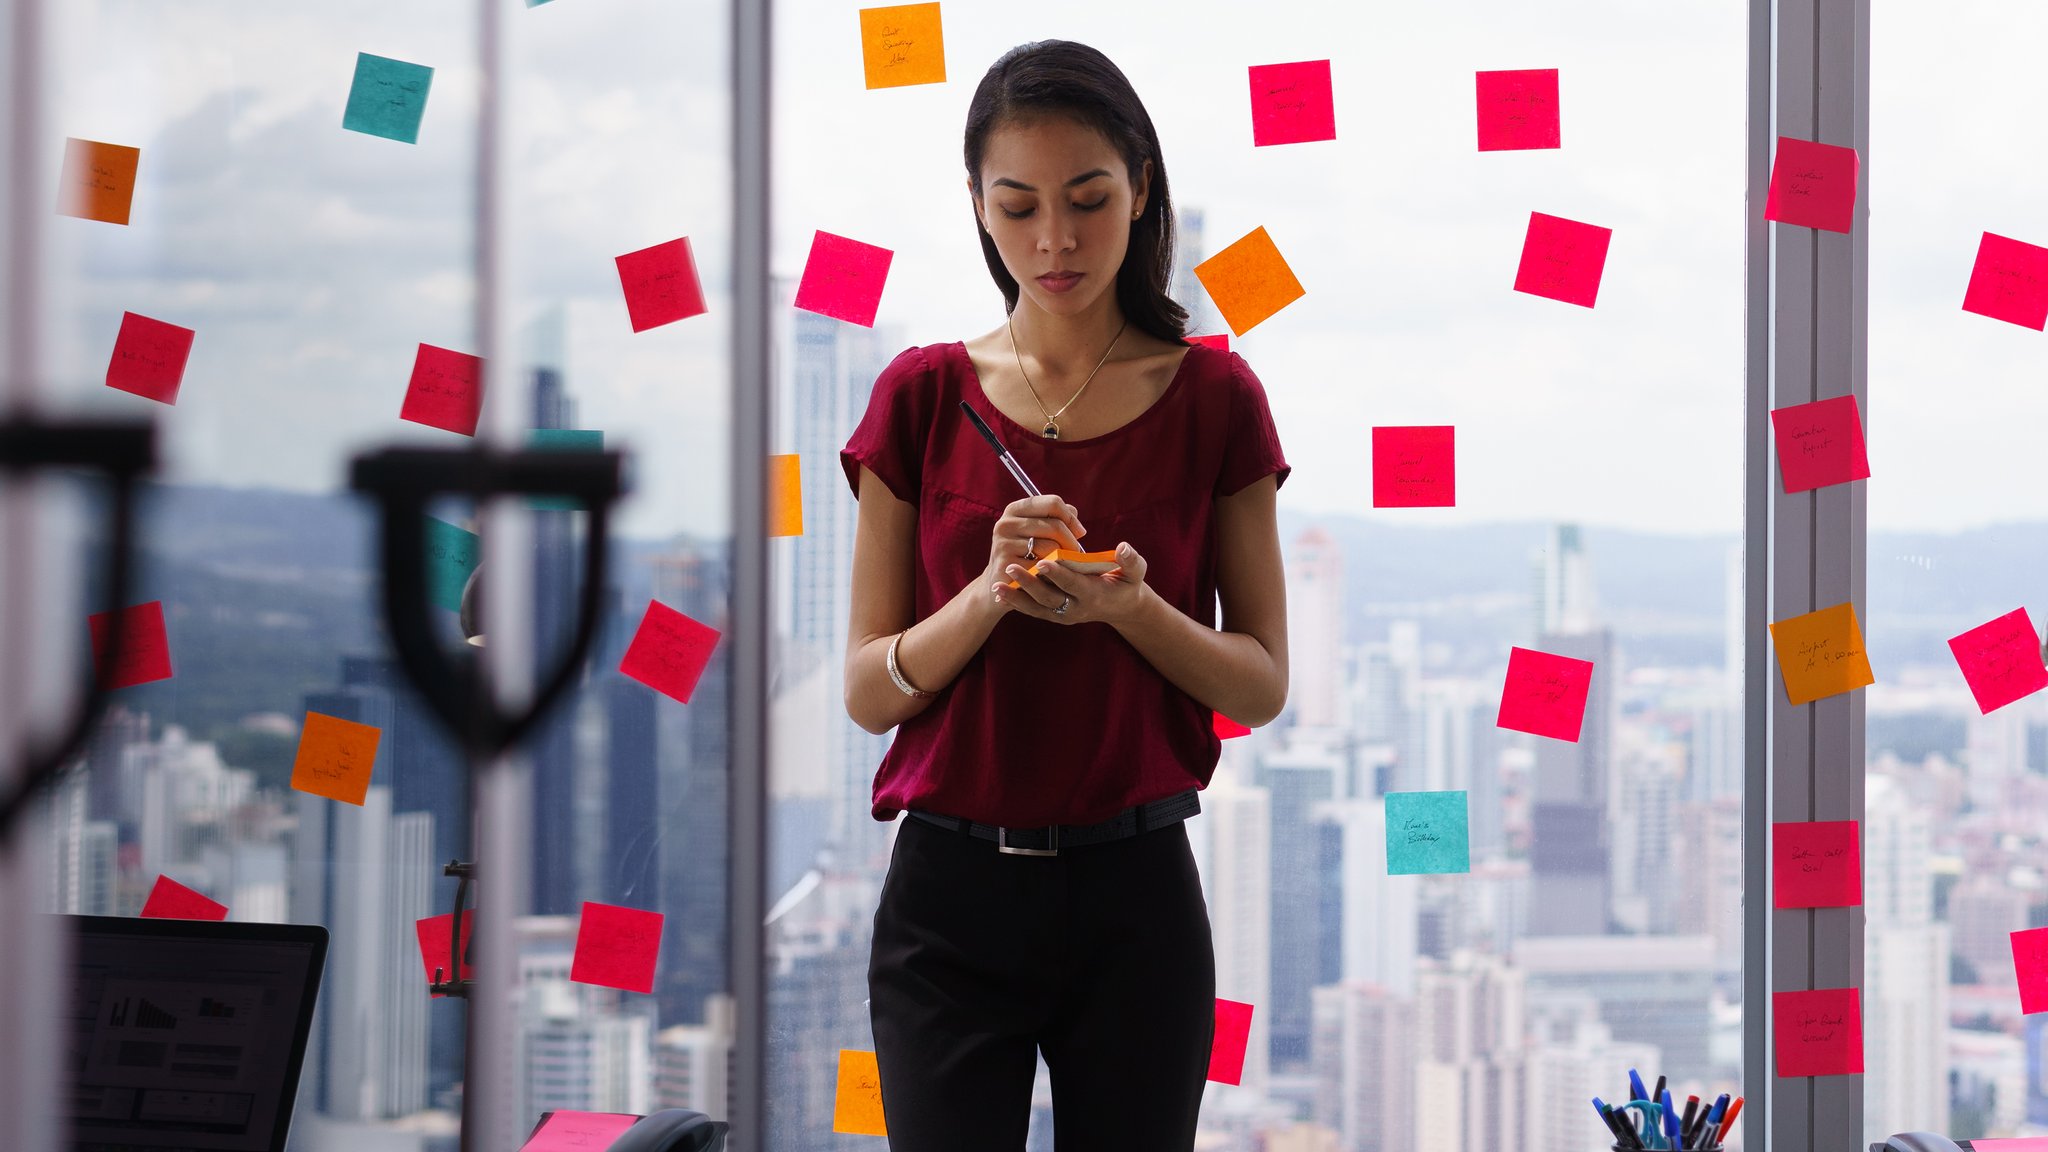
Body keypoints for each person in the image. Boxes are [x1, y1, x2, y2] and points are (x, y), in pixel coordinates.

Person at [839, 39, 1291, 1151]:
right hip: (945, 900)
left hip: (1133, 893)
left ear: (1140, 189)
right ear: (976, 208)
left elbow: (1263, 680)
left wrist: (1131, 608)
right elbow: (866, 690)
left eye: (1088, 199)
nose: (1054, 240)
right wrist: (989, 593)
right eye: (1018, 204)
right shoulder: (920, 394)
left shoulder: (1215, 395)